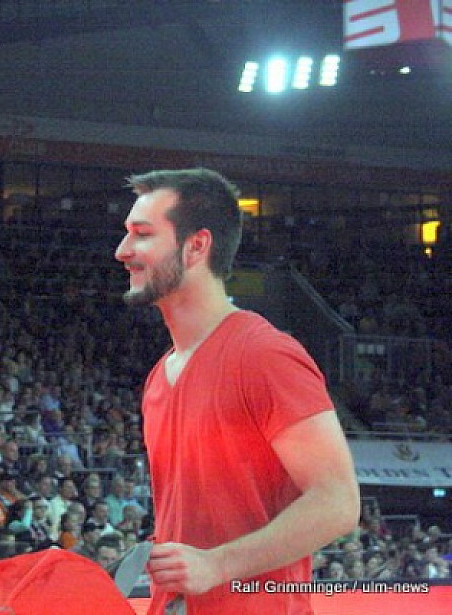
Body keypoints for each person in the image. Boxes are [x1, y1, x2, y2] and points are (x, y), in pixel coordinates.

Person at [114, 168, 360, 614]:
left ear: (196, 246)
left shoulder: (264, 355)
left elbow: (338, 501)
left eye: (142, 234)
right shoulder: (159, 377)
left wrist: (217, 564)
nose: (122, 250)